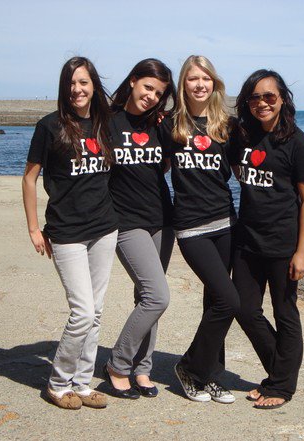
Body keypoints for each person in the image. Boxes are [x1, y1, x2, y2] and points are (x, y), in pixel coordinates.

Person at [22, 56, 118, 410]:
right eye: (71, 83)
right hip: (66, 233)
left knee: (96, 312)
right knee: (81, 311)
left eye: (83, 82)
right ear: (64, 88)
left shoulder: (106, 124)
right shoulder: (49, 126)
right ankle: (58, 382)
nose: (77, 89)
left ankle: (82, 382)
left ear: (94, 86)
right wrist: (34, 227)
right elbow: (30, 177)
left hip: (105, 229)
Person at [231, 69, 304, 409]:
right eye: (255, 97)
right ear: (247, 102)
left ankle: (281, 385)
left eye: (269, 96)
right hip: (247, 241)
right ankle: (278, 375)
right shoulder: (243, 137)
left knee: (285, 313)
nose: (262, 103)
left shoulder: (299, 143)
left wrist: (302, 251)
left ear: (282, 99)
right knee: (245, 309)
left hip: (283, 244)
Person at [160, 55, 239, 404]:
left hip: (226, 222)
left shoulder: (227, 125)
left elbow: (246, 169)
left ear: (214, 83)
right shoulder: (170, 125)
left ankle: (211, 376)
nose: (200, 84)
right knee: (228, 299)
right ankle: (190, 367)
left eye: (206, 78)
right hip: (191, 227)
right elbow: (150, 167)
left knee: (214, 303)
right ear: (183, 84)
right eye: (193, 78)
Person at [104, 58, 175, 399]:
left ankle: (142, 369)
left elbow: (164, 165)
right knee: (157, 296)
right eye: (148, 87)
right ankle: (118, 364)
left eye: (159, 93)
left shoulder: (158, 124)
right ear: (133, 81)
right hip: (126, 222)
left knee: (146, 296)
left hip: (162, 219)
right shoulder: (108, 122)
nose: (152, 96)